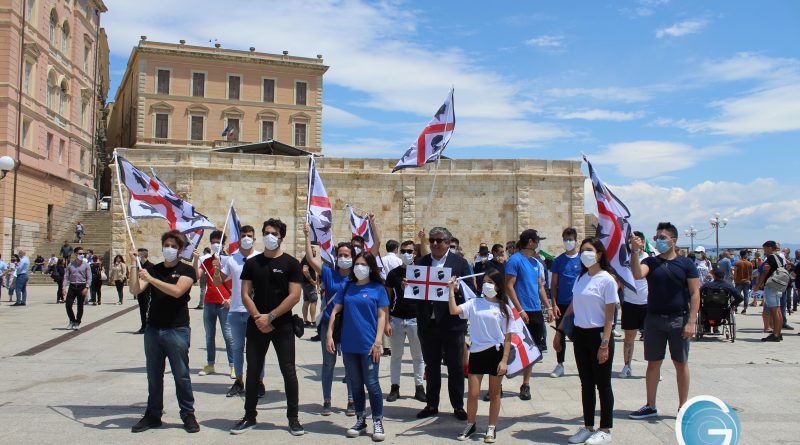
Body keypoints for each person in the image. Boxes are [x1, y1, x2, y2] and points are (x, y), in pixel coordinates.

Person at [230, 219, 305, 436]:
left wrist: (270, 317)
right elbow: (245, 293)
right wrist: (258, 317)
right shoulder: (252, 263)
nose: (269, 236)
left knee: (289, 371)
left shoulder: (291, 263)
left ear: (281, 236)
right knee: (252, 371)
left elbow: (295, 296)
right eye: (265, 232)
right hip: (256, 325)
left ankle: (293, 418)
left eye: (273, 233)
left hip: (282, 326)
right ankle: (249, 416)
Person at [129, 230, 200, 434]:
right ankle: (153, 414)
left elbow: (177, 291)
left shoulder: (186, 271)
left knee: (181, 375)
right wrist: (135, 264)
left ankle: (187, 413)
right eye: (166, 245)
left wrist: (151, 279)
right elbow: (135, 289)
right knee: (154, 375)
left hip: (176, 329)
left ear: (179, 250)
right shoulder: (154, 269)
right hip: (154, 329)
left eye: (173, 246)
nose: (169, 249)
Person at [629, 222, 700, 419]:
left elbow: (695, 293)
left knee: (681, 363)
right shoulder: (651, 262)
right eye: (657, 237)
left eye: (662, 237)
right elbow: (636, 274)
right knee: (653, 363)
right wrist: (635, 252)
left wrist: (692, 321)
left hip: (679, 319)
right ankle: (650, 405)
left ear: (673, 240)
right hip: (653, 319)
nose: (659, 240)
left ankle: (683, 406)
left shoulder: (686, 264)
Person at [554, 238, 618, 445]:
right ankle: (588, 426)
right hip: (580, 335)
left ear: (599, 253)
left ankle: (605, 429)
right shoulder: (581, 277)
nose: (584, 254)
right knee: (586, 383)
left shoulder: (607, 279)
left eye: (589, 250)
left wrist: (605, 344)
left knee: (603, 384)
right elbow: (573, 305)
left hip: (599, 335)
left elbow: (610, 317)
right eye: (582, 251)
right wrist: (560, 330)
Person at [326, 252, 389, 441]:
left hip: (369, 345)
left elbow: (381, 316)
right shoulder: (348, 286)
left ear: (370, 267)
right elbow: (335, 311)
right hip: (349, 344)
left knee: (372, 383)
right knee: (355, 384)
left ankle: (378, 421)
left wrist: (378, 342)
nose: (359, 267)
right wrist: (329, 334)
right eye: (357, 264)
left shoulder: (378, 288)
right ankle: (360, 420)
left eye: (363, 264)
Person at [414, 227, 473, 421]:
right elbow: (416, 292)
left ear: (448, 242)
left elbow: (470, 291)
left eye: (439, 240)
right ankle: (432, 404)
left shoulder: (460, 263)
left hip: (451, 323)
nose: (434, 244)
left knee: (455, 366)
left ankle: (458, 406)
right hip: (428, 323)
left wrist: (457, 289)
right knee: (431, 367)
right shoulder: (422, 262)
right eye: (432, 240)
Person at [449, 267, 513, 443]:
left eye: (490, 282)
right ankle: (471, 424)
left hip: (496, 353)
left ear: (498, 286)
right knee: (473, 394)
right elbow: (454, 310)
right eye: (484, 282)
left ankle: (491, 427)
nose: (487, 285)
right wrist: (451, 290)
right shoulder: (474, 303)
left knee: (494, 394)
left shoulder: (504, 308)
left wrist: (505, 361)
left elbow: (508, 337)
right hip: (477, 352)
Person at [304, 224, 356, 415]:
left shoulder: (358, 275)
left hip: (350, 325)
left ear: (353, 257)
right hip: (329, 324)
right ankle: (327, 400)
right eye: (340, 255)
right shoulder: (328, 273)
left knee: (350, 365)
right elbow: (310, 259)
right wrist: (307, 236)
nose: (343, 258)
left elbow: (374, 250)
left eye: (347, 255)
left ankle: (351, 400)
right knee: (328, 364)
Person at [215, 225, 264, 398]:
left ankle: (258, 381)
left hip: (255, 311)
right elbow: (218, 281)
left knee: (257, 348)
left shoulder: (261, 258)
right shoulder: (231, 259)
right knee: (237, 348)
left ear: (255, 238)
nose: (246, 238)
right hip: (235, 310)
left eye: (249, 235)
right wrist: (215, 267)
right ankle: (239, 381)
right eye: (243, 235)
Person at [505, 229, 553, 400]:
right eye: (537, 240)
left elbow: (540, 286)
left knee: (532, 349)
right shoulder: (514, 260)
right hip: (519, 311)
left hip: (535, 311)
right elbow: (509, 286)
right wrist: (520, 310)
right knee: (509, 348)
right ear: (531, 242)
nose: (539, 243)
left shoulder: (535, 262)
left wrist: (548, 307)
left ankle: (525, 384)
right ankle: (497, 384)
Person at [384, 240, 426, 403]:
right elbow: (387, 298)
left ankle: (419, 387)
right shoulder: (393, 274)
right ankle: (395, 387)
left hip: (415, 318)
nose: (407, 254)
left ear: (415, 253)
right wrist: (387, 320)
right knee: (396, 355)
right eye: (404, 251)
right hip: (397, 317)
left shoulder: (420, 272)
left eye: (410, 251)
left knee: (418, 355)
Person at [197, 230, 234, 378]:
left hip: (224, 302)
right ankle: (210, 364)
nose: (215, 244)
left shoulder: (228, 260)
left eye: (218, 241)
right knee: (209, 335)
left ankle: (233, 366)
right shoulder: (206, 261)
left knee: (228, 336)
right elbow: (196, 276)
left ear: (223, 243)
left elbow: (234, 282)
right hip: (209, 302)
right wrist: (195, 259)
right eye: (213, 241)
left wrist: (231, 299)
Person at [549, 227, 581, 378]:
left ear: (576, 240)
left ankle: (583, 365)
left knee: (580, 336)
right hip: (562, 304)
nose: (568, 242)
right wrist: (554, 304)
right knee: (560, 335)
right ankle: (560, 364)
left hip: (580, 304)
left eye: (570, 239)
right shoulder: (558, 261)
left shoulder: (583, 259)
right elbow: (553, 285)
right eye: (565, 239)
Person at [619, 231, 649, 379]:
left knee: (651, 338)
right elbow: (620, 278)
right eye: (632, 240)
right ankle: (627, 365)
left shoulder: (649, 259)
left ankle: (653, 367)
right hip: (630, 302)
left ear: (643, 242)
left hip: (647, 303)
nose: (634, 242)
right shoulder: (626, 258)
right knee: (629, 337)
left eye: (637, 240)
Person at [753, 241, 785, 342]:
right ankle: (778, 333)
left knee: (774, 310)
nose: (764, 251)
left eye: (765, 248)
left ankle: (775, 334)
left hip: (771, 285)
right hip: (778, 286)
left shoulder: (771, 257)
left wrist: (757, 286)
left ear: (770, 248)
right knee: (778, 310)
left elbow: (765, 273)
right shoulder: (779, 257)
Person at [699, 269, 737, 334]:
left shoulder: (707, 285)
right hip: (723, 311)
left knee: (706, 309)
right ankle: (715, 328)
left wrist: (699, 306)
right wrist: (732, 305)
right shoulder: (728, 286)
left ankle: (707, 328)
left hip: (707, 309)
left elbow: (697, 294)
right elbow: (740, 297)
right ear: (724, 276)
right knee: (720, 308)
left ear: (714, 276)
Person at [62, 246, 91, 330]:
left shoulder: (86, 265)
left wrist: (86, 287)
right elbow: (66, 276)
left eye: (83, 253)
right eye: (80, 253)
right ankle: (72, 320)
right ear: (75, 254)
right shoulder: (70, 265)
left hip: (82, 286)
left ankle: (77, 322)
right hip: (72, 286)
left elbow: (89, 277)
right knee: (68, 304)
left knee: (80, 305)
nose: (82, 255)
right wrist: (63, 287)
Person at [133, 248, 155, 334]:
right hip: (140, 292)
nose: (137, 257)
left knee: (148, 310)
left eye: (138, 255)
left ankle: (149, 327)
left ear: (142, 256)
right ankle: (143, 326)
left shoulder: (151, 266)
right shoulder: (139, 266)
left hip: (148, 292)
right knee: (142, 309)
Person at [300, 243, 320, 327]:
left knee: (306, 301)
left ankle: (306, 321)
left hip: (304, 283)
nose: (315, 252)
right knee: (313, 301)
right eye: (314, 251)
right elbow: (305, 270)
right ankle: (313, 321)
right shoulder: (307, 258)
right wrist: (312, 281)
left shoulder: (306, 258)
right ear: (310, 251)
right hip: (308, 284)